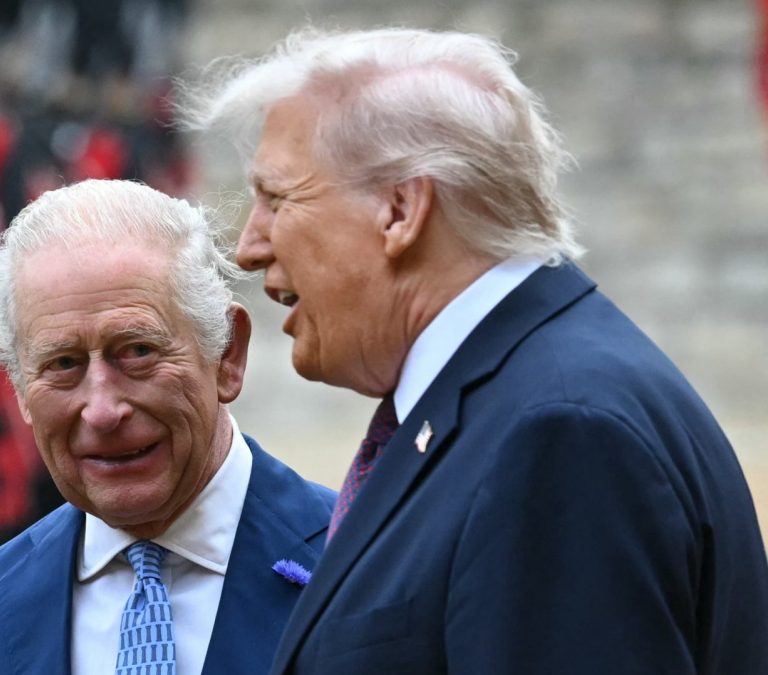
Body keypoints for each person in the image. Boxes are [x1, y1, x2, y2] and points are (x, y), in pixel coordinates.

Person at [179, 27, 768, 674]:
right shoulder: (520, 400)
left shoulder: (558, 434)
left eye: (277, 198)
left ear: (400, 210)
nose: (249, 247)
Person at [0, 179, 336, 675]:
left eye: (137, 351)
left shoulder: (368, 568)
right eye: (63, 364)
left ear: (227, 355)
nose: (103, 410)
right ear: (19, 389)